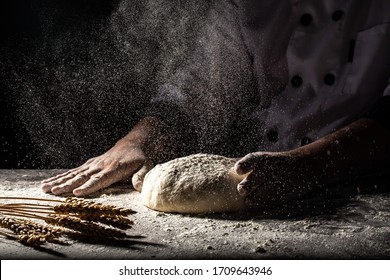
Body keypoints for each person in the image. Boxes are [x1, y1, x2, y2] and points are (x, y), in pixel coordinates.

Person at [41, 0, 390, 209]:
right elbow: (199, 90)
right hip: (258, 185)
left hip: (366, 188)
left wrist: (309, 166)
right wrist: (135, 142)